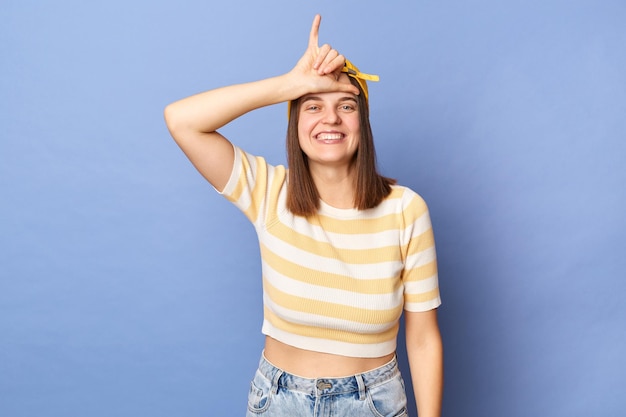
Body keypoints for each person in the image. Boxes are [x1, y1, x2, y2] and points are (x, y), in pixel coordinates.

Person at [164, 14, 443, 417]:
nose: (330, 118)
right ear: (295, 123)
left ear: (362, 123)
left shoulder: (405, 209)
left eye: (345, 105)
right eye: (313, 106)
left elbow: (422, 339)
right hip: (279, 401)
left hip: (374, 403)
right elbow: (182, 120)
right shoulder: (268, 192)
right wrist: (289, 86)